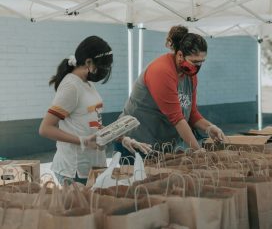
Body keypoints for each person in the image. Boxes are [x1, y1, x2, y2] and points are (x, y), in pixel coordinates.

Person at [39, 36, 150, 185]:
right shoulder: (71, 86)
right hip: (74, 170)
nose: (105, 71)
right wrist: (82, 141)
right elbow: (45, 129)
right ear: (88, 62)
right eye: (103, 66)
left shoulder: (87, 84)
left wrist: (121, 138)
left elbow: (92, 124)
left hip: (93, 166)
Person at [116, 25, 225, 159]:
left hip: (159, 146)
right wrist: (197, 150)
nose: (197, 67)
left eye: (201, 62)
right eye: (195, 62)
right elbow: (177, 119)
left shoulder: (190, 76)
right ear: (180, 55)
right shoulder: (161, 71)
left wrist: (209, 127)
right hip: (135, 143)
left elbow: (191, 113)